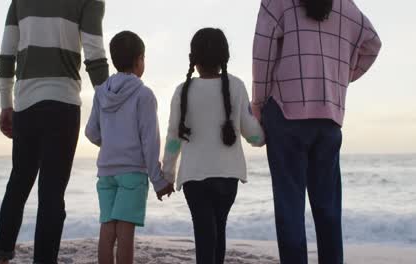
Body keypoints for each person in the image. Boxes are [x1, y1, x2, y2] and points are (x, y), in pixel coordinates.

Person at [252, 0, 382, 263]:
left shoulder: (276, 2)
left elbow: (262, 55)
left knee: (290, 208)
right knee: (328, 210)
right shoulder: (346, 6)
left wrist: (259, 103)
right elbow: (372, 44)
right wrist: (340, 77)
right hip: (329, 116)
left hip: (286, 113)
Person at [0, 0, 110, 263]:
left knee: (19, 181)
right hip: (63, 104)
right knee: (52, 192)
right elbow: (94, 53)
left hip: (25, 104)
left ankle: (1, 255)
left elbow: (6, 54)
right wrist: (109, 107)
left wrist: (5, 104)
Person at [161, 28, 265, 264]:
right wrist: (266, 134)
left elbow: (173, 137)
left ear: (194, 59)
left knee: (205, 233)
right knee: (219, 229)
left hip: (194, 178)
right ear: (224, 57)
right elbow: (254, 135)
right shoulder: (236, 86)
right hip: (228, 177)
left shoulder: (183, 91)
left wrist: (167, 175)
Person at [85, 31, 174, 264]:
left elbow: (91, 132)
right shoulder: (144, 95)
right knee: (125, 232)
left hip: (106, 172)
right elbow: (150, 142)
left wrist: (111, 144)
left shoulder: (101, 93)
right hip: (133, 172)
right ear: (139, 59)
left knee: (107, 228)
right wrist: (158, 180)